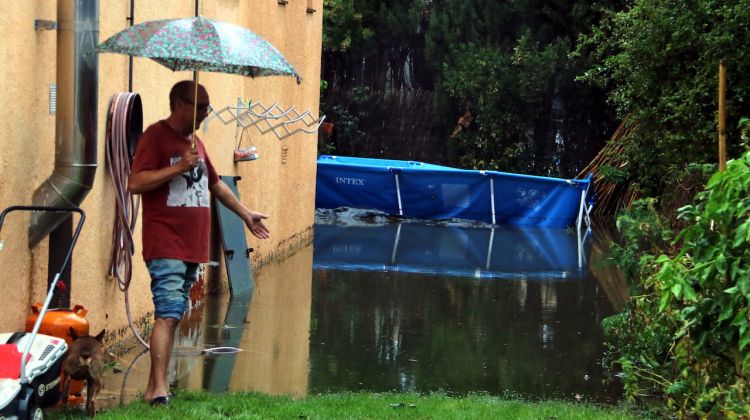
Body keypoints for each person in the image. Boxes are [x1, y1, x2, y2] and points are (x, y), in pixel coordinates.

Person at [128, 80, 270, 406]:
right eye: (200, 106)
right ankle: (159, 391)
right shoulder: (155, 136)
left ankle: (155, 387)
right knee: (167, 312)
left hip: (193, 246)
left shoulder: (198, 144)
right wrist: (177, 167)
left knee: (175, 313)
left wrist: (246, 214)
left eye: (207, 106)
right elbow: (135, 182)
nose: (206, 112)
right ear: (178, 104)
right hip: (166, 242)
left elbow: (216, 186)